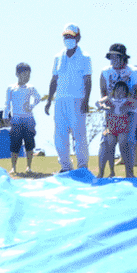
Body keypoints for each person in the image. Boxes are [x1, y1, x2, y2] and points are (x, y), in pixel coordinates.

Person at [44, 23, 92, 173]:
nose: (67, 39)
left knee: (79, 134)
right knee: (60, 135)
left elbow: (88, 80)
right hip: (60, 100)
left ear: (78, 37)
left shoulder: (85, 57)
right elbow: (54, 79)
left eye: (70, 36)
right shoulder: (57, 57)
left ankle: (82, 166)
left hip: (78, 99)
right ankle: (65, 166)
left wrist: (86, 101)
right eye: (65, 36)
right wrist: (49, 100)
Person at [98, 44, 137, 178]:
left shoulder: (133, 71)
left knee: (128, 142)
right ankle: (101, 173)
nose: (113, 59)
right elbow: (103, 92)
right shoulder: (105, 71)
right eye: (111, 56)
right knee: (105, 141)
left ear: (123, 57)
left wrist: (128, 107)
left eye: (116, 56)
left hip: (129, 114)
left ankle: (130, 173)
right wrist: (108, 107)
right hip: (111, 114)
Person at [3, 62, 42, 175]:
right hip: (16, 120)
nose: (27, 78)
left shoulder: (31, 88)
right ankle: (13, 167)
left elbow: (38, 98)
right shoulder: (11, 88)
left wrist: (31, 106)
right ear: (17, 74)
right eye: (24, 75)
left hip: (29, 120)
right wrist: (5, 116)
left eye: (28, 75)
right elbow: (7, 103)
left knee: (29, 144)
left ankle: (28, 167)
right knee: (15, 145)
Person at [97, 82, 136, 178]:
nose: (120, 92)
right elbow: (98, 103)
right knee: (110, 147)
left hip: (122, 128)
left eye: (123, 90)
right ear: (114, 91)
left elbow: (136, 104)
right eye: (118, 90)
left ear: (126, 92)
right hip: (110, 128)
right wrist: (105, 104)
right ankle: (111, 171)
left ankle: (128, 171)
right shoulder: (110, 100)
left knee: (123, 146)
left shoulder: (127, 100)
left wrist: (127, 104)